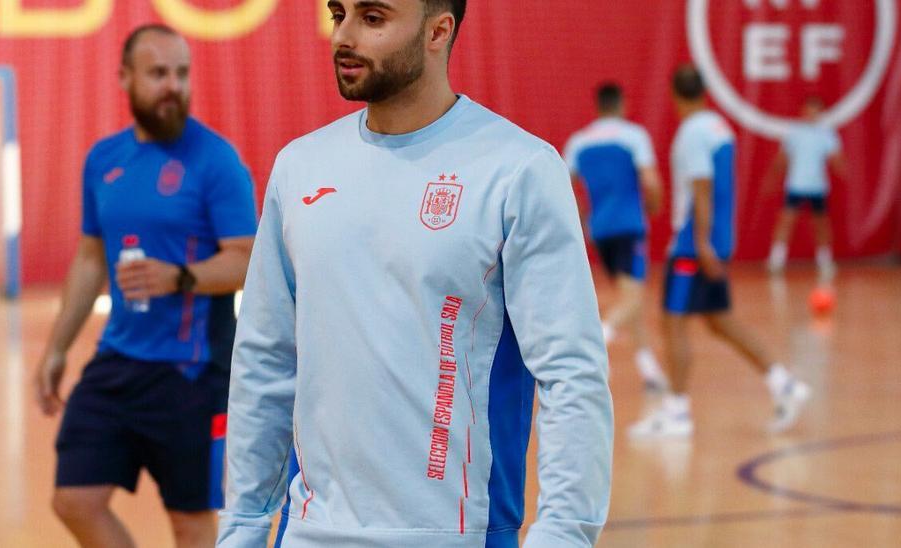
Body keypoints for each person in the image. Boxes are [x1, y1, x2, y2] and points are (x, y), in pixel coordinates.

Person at [220, 1, 613, 546]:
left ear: (438, 31)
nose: (345, 36)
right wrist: (240, 526)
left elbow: (571, 373)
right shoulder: (299, 167)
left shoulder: (518, 169)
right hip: (310, 531)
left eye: (373, 18)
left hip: (458, 533)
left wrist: (565, 533)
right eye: (340, 15)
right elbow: (265, 359)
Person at [32, 24, 257, 548]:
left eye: (181, 73)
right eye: (158, 74)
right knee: (75, 500)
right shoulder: (104, 160)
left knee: (190, 524)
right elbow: (91, 258)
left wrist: (180, 277)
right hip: (118, 363)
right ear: (125, 79)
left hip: (194, 374)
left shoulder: (217, 162)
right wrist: (57, 348)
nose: (173, 85)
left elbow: (248, 262)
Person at [628, 66, 811, 440]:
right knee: (718, 319)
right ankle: (785, 384)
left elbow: (703, 187)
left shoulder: (692, 133)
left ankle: (677, 413)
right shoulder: (720, 126)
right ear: (706, 91)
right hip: (715, 239)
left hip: (694, 244)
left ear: (675, 94)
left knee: (672, 320)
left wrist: (701, 242)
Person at [563, 81, 668, 393]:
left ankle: (649, 370)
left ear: (598, 106)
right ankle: (600, 340)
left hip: (601, 230)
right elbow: (650, 180)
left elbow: (566, 188)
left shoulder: (579, 141)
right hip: (629, 226)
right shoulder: (634, 136)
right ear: (621, 105)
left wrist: (582, 221)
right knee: (634, 298)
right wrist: (653, 205)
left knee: (629, 298)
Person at [765, 96, 847, 280]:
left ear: (820, 113)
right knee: (786, 221)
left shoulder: (827, 134)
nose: (811, 114)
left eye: (816, 110)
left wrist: (842, 167)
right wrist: (772, 179)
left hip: (818, 186)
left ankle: (824, 260)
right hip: (796, 185)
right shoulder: (794, 133)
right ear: (803, 111)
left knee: (821, 224)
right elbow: (782, 158)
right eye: (809, 109)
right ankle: (776, 259)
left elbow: (836, 158)